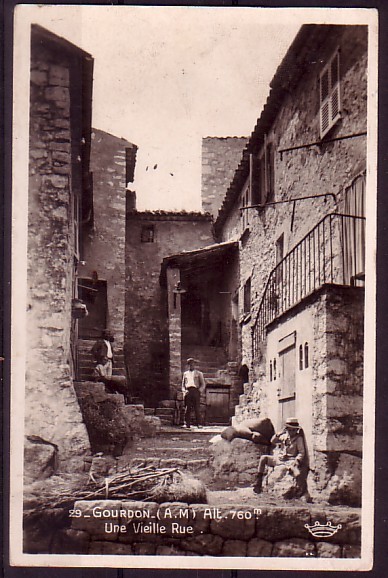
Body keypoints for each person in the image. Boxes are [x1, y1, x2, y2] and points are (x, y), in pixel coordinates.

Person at [253, 417, 307, 494]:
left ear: (296, 430)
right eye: (289, 429)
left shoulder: (298, 439)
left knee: (296, 471)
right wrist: (279, 434)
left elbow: (301, 452)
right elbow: (272, 441)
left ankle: (300, 489)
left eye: (293, 430)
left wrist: (297, 460)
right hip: (279, 459)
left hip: (290, 460)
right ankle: (258, 482)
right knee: (263, 458)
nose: (291, 432)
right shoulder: (284, 436)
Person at [182, 358, 206, 429]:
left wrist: (199, 391)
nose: (191, 365)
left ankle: (199, 424)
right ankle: (187, 424)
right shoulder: (185, 374)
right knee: (187, 408)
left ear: (194, 365)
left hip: (196, 391)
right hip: (188, 391)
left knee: (197, 408)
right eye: (189, 364)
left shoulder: (199, 373)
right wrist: (184, 391)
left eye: (192, 364)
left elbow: (203, 384)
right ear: (188, 365)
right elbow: (183, 385)